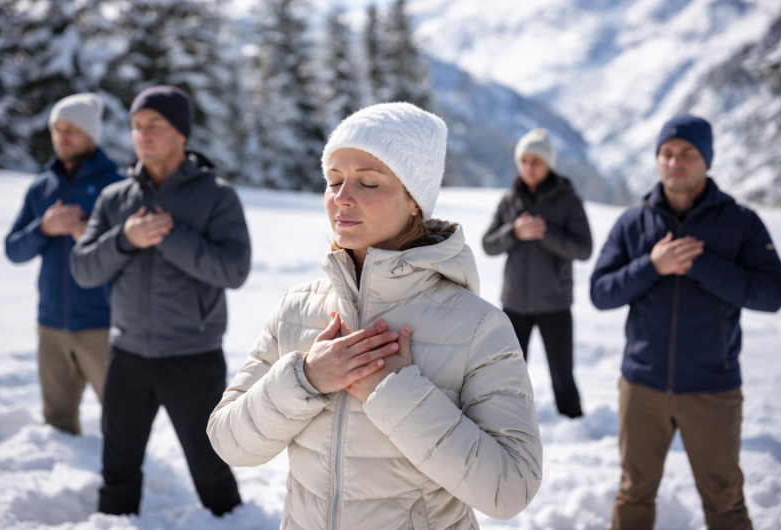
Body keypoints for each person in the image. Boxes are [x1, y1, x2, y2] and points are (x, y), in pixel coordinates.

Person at [207, 102, 543, 529]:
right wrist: (306, 378)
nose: (342, 198)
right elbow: (227, 441)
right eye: (333, 180)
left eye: (367, 182)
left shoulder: (478, 327)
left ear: (414, 201)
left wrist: (394, 392)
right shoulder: (298, 309)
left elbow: (510, 489)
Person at [590, 114, 781, 530]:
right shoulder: (634, 222)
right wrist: (653, 265)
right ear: (657, 159)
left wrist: (701, 265)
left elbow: (773, 294)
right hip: (641, 386)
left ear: (707, 160)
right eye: (667, 153)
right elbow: (600, 292)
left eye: (687, 153)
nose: (674, 161)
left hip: (712, 388)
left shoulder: (740, 222)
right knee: (634, 493)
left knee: (725, 501)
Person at [70, 86, 250, 517]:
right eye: (136, 126)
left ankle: (235, 523)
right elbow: (84, 268)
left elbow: (234, 270)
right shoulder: (116, 199)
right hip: (127, 353)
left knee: (210, 466)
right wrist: (126, 239)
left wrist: (171, 237)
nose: (143, 134)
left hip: (192, 355)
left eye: (155, 124)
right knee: (117, 466)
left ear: (181, 134)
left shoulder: (216, 196)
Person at [5, 93, 122, 435]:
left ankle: (127, 485)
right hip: (51, 326)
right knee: (57, 424)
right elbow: (13, 250)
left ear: (91, 135)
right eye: (57, 129)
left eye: (71, 129)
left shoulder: (116, 186)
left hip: (104, 325)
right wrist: (44, 228)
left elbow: (135, 255)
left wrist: (92, 237)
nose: (62, 137)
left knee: (122, 422)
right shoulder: (42, 187)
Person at [482, 128, 592, 419]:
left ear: (548, 164)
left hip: (554, 302)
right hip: (514, 302)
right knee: (510, 370)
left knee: (562, 372)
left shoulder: (569, 201)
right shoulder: (510, 201)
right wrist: (515, 232)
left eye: (536, 161)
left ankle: (574, 424)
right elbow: (488, 244)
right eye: (524, 160)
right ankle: (508, 419)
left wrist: (546, 234)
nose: (529, 167)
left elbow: (584, 249)